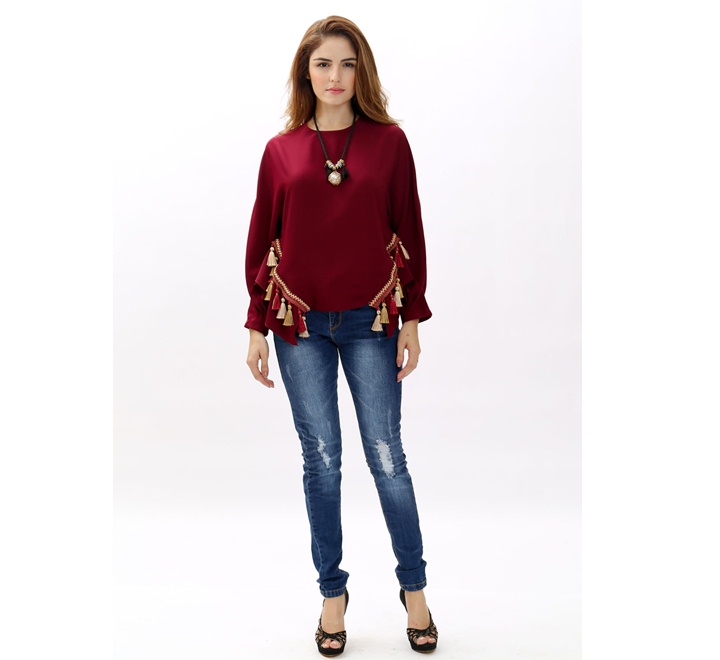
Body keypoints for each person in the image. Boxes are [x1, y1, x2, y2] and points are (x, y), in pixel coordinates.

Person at [244, 15, 438, 656]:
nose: (335, 76)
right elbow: (262, 239)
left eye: (347, 64)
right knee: (322, 462)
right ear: (306, 72)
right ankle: (333, 594)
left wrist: (412, 316)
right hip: (298, 324)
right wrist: (256, 325)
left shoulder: (390, 143)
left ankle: (414, 590)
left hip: (371, 319)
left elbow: (409, 227)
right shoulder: (281, 151)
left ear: (363, 72)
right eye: (323, 64)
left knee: (387, 456)